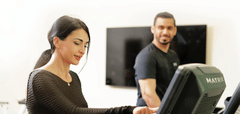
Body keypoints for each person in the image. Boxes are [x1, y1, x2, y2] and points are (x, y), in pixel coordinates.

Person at [26, 15, 157, 114]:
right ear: (57, 42)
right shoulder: (39, 78)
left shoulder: (73, 77)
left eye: (85, 45)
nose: (82, 50)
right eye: (77, 43)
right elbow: (73, 112)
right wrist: (128, 110)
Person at [134, 12, 180, 107]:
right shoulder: (147, 56)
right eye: (161, 27)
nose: (165, 32)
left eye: (169, 28)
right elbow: (148, 94)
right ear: (153, 29)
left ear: (175, 31)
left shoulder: (173, 55)